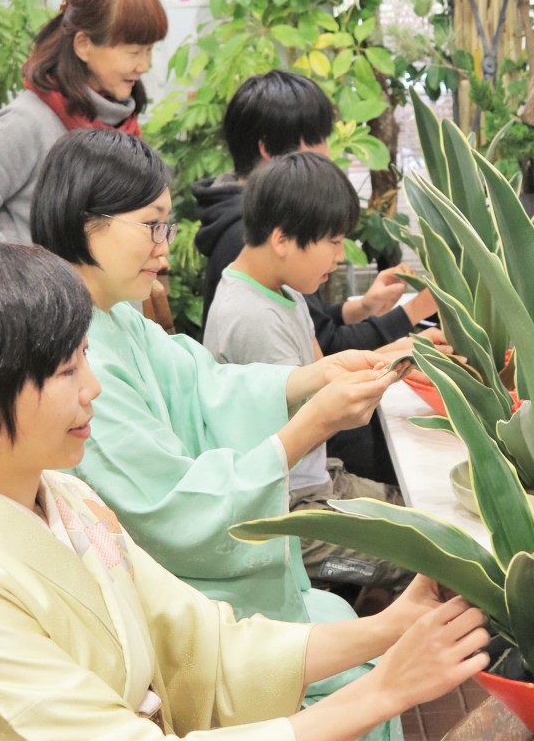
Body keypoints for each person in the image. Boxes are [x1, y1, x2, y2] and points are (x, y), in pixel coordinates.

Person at [0, 241, 490, 740]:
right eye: (64, 371)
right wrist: (382, 690)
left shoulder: (66, 498)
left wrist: (391, 627)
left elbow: (206, 647)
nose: (94, 389)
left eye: (85, 357)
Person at [30, 129, 409, 739]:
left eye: (167, 225)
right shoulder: (70, 355)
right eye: (152, 225)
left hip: (183, 576)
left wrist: (313, 376)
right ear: (88, 223)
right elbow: (166, 506)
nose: (164, 245)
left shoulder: (116, 315)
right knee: (362, 680)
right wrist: (311, 419)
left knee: (341, 625)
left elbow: (204, 387)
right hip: (168, 597)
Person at [193, 69, 445, 482]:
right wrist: (407, 326)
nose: (327, 153)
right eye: (317, 141)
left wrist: (395, 345)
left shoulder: (279, 278)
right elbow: (312, 408)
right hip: (297, 487)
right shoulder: (249, 280)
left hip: (317, 466)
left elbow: (318, 360)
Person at [202, 151, 413, 593]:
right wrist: (393, 361)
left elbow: (323, 369)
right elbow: (314, 415)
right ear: (283, 239)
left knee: (423, 515)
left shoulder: (283, 289)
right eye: (333, 242)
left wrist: (396, 350)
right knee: (418, 559)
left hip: (320, 483)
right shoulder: (253, 317)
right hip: (290, 524)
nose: (338, 257)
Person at [0, 0, 167, 246]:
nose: (144, 65)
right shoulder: (27, 122)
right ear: (84, 45)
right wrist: (26, 275)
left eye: (149, 51)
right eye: (134, 52)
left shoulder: (120, 122)